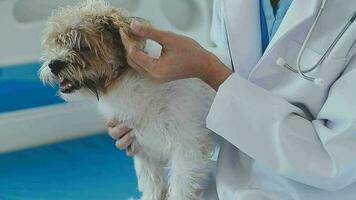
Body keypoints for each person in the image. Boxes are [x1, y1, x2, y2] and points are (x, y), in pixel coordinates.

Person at [106, 0, 356, 199]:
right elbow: (221, 106)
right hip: (229, 184)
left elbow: (334, 160)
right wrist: (152, 123)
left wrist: (208, 69)